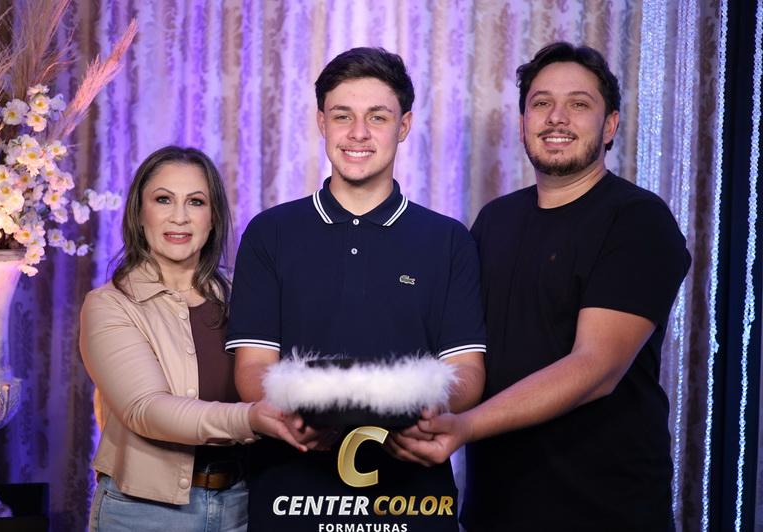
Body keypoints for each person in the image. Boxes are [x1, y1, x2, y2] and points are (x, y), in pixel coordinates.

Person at [392, 42, 691, 531]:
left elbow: (596, 367)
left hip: (604, 511)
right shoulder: (495, 220)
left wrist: (464, 426)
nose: (557, 117)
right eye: (542, 103)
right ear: (523, 122)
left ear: (610, 125)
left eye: (579, 104)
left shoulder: (638, 220)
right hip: (496, 508)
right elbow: (460, 345)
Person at [225, 47, 486, 531]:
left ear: (404, 126)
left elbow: (467, 371)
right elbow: (253, 368)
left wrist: (435, 407)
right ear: (321, 122)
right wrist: (291, 412)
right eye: (343, 115)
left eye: (377, 117)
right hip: (292, 499)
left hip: (412, 502)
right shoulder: (270, 233)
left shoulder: (448, 240)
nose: (358, 133)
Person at [79, 146, 304, 532]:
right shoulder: (109, 305)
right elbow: (146, 410)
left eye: (196, 202)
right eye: (163, 199)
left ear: (213, 217)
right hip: (144, 514)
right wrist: (251, 418)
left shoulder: (246, 297)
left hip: (243, 504)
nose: (179, 217)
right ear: (139, 214)